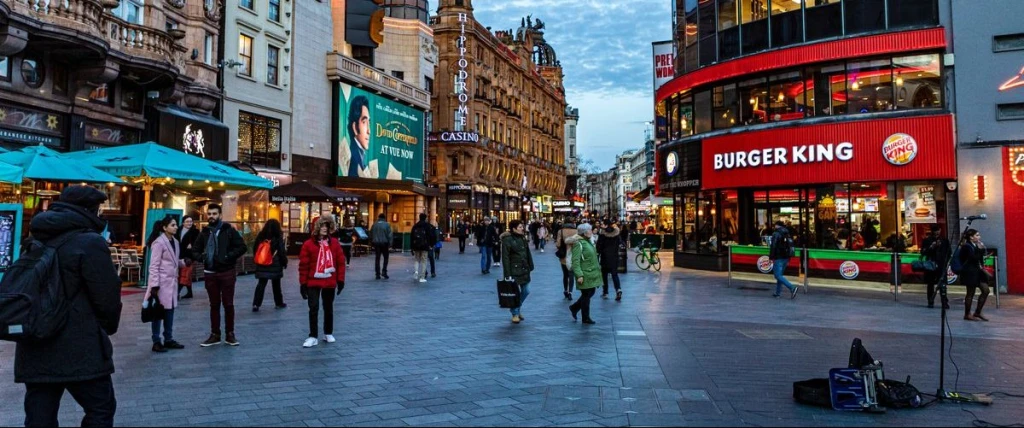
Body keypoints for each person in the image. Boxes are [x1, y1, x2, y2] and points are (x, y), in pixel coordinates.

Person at [18, 185, 122, 427]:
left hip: (36, 340)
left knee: (39, 416)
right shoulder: (89, 242)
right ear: (91, 210)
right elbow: (106, 296)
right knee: (100, 408)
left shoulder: (35, 237)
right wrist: (104, 328)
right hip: (79, 343)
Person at [197, 204, 247, 347]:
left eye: (214, 213)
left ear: (220, 215)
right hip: (210, 273)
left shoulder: (228, 230)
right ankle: (215, 334)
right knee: (214, 304)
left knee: (228, 304)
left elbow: (242, 247)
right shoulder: (204, 232)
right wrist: (203, 258)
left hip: (226, 272)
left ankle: (230, 334)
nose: (211, 216)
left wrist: (228, 256)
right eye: (209, 214)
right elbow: (195, 250)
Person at [298, 217, 346, 347]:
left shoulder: (334, 243)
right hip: (313, 281)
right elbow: (303, 265)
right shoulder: (308, 244)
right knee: (313, 308)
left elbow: (340, 262)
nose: (324, 228)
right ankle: (313, 335)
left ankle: (328, 332)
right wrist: (303, 283)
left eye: (327, 226)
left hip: (329, 280)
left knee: (328, 307)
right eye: (322, 226)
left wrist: (340, 280)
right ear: (316, 227)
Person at [145, 215, 185, 353]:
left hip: (172, 283)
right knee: (158, 312)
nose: (176, 227)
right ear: (164, 227)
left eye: (176, 225)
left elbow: (174, 261)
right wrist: (154, 286)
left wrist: (185, 262)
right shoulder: (159, 243)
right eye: (173, 225)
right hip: (161, 284)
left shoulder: (175, 241)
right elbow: (154, 265)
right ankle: (156, 341)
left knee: (170, 311)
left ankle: (168, 338)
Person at [501, 220, 534, 324]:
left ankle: (516, 308)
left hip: (524, 268)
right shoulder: (507, 240)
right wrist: (507, 274)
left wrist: (531, 264)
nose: (522, 228)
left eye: (522, 227)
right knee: (515, 292)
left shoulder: (523, 238)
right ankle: (515, 313)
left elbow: (527, 252)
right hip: (514, 269)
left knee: (527, 290)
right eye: (520, 227)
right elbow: (505, 257)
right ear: (514, 228)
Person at [252, 219, 288, 312]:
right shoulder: (278, 236)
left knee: (261, 284)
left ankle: (256, 304)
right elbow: (281, 251)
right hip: (275, 264)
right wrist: (284, 262)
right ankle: (278, 303)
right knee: (276, 285)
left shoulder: (261, 235)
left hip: (262, 263)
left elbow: (255, 248)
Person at [568, 223, 600, 325]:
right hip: (584, 273)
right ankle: (585, 317)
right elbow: (575, 261)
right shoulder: (579, 243)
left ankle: (574, 307)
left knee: (591, 292)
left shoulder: (589, 241)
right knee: (586, 295)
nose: (591, 231)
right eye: (590, 230)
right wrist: (579, 275)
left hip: (591, 273)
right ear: (584, 232)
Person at [958, 229, 990, 321]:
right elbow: (972, 258)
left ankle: (978, 312)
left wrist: (982, 250)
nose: (979, 237)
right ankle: (967, 314)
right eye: (977, 235)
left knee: (985, 290)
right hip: (970, 272)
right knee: (970, 293)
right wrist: (980, 250)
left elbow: (979, 258)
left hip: (977, 272)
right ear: (971, 237)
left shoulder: (975, 245)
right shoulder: (966, 246)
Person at [920, 224, 951, 309]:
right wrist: (931, 247)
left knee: (942, 284)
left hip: (941, 265)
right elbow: (923, 252)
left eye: (938, 231)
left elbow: (949, 252)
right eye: (934, 231)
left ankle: (944, 302)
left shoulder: (945, 241)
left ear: (940, 230)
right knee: (930, 284)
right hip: (931, 265)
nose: (936, 233)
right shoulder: (927, 240)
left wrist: (947, 263)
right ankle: (930, 301)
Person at [770, 221, 799, 299]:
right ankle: (778, 293)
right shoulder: (787, 233)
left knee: (777, 275)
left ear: (777, 225)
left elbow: (773, 246)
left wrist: (771, 257)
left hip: (779, 257)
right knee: (780, 275)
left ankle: (792, 288)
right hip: (786, 257)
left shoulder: (776, 234)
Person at [597, 221, 622, 301]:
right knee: (614, 274)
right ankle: (618, 289)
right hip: (614, 257)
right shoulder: (617, 235)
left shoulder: (602, 235)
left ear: (606, 226)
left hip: (605, 257)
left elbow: (598, 247)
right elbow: (621, 243)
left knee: (604, 275)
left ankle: (605, 292)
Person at [177, 215, 200, 299]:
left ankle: (176, 293)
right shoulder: (178, 230)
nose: (189, 223)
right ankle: (189, 293)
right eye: (187, 221)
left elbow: (200, 243)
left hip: (189, 258)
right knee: (184, 275)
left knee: (185, 274)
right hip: (179, 256)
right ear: (183, 223)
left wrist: (192, 246)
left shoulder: (195, 231)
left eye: (190, 221)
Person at [555, 219, 579, 300]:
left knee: (565, 274)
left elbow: (558, 244)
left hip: (564, 255)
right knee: (571, 274)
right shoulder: (576, 231)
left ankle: (565, 290)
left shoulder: (560, 231)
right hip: (573, 254)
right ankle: (570, 292)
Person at [410, 213, 437, 283]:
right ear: (425, 218)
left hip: (416, 246)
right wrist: (431, 245)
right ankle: (422, 277)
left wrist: (412, 247)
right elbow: (432, 236)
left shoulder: (415, 226)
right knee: (424, 261)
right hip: (425, 246)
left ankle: (416, 271)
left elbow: (412, 237)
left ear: (419, 217)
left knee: (416, 259)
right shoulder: (428, 226)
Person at [370, 213, 392, 280]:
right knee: (385, 258)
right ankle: (384, 272)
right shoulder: (387, 225)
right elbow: (390, 235)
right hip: (384, 243)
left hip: (376, 243)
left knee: (377, 258)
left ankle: (377, 274)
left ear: (378, 217)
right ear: (384, 218)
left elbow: (371, 234)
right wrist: (390, 244)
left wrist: (372, 242)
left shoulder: (374, 225)